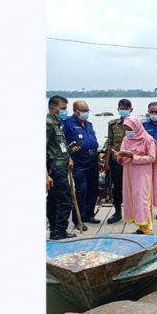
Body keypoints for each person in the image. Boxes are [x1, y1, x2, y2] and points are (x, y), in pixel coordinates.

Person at [113, 117, 157, 234]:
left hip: (142, 173)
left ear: (136, 127)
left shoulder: (148, 140)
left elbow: (152, 158)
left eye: (129, 129)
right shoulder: (126, 138)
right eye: (125, 129)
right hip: (128, 173)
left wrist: (133, 157)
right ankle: (141, 226)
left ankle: (148, 228)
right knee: (132, 198)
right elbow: (122, 154)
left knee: (142, 199)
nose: (128, 131)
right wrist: (119, 156)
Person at [62, 100, 101, 231]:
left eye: (87, 110)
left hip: (93, 159)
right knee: (81, 190)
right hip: (79, 161)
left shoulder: (88, 124)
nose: (86, 113)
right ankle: (78, 219)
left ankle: (89, 214)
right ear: (76, 110)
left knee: (93, 188)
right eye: (83, 110)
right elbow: (62, 142)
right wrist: (69, 152)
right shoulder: (68, 123)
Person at [46, 95, 76, 240]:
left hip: (62, 166)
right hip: (54, 169)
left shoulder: (57, 123)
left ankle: (54, 230)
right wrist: (45, 175)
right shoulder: (48, 124)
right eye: (62, 108)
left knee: (53, 200)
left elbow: (60, 146)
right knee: (65, 201)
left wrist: (69, 158)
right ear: (53, 107)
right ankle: (59, 231)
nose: (65, 111)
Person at [103, 99, 133, 224]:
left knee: (132, 187)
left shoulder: (136, 123)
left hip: (131, 161)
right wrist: (107, 161)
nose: (123, 110)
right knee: (117, 188)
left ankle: (133, 212)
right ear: (118, 109)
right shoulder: (112, 124)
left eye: (126, 108)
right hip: (116, 161)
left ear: (131, 110)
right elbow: (109, 143)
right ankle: (117, 212)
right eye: (121, 108)